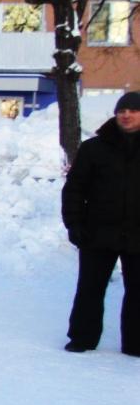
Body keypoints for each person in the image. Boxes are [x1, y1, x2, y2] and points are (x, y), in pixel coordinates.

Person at [61, 91, 140, 356]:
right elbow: (74, 189)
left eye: (133, 111)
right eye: (122, 111)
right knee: (90, 288)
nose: (126, 115)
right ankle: (82, 337)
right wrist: (74, 223)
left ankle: (135, 342)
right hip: (97, 231)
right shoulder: (94, 148)